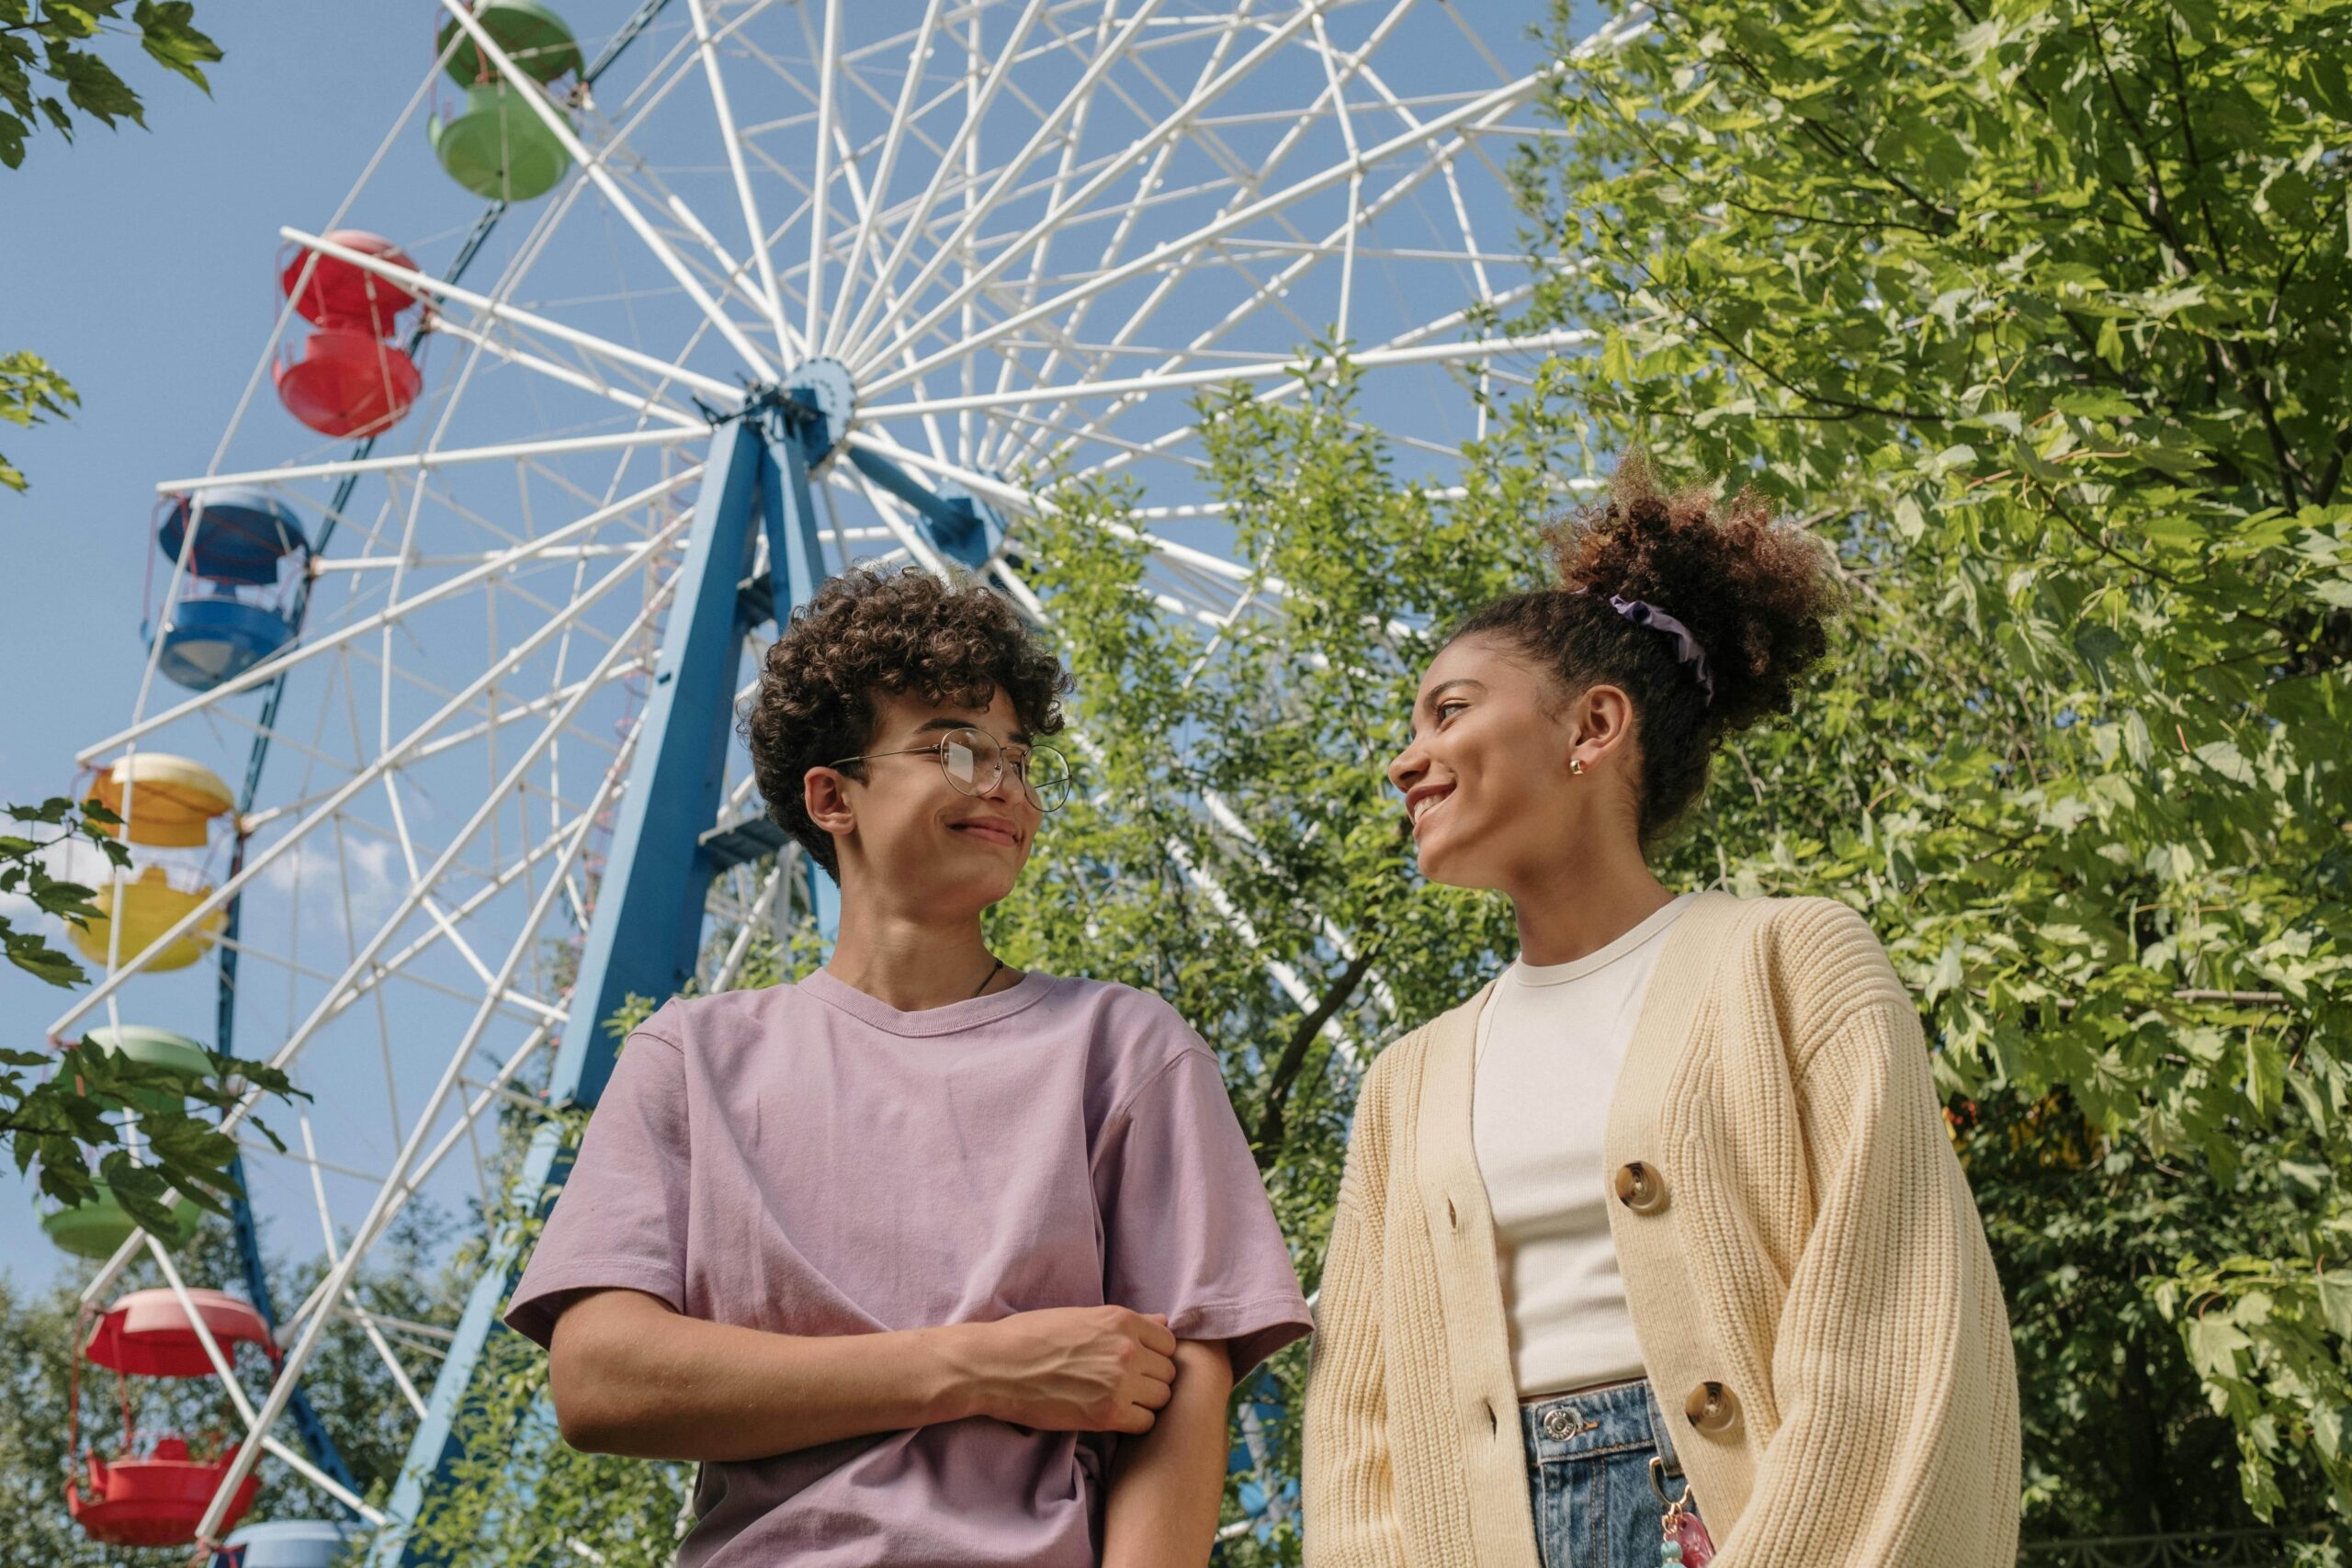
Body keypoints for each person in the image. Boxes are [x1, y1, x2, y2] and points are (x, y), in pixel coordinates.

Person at [504, 567, 1312, 1568]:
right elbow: (600, 1382)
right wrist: (974, 1366)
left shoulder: (1125, 1049)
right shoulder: (692, 1059)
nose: (1004, 786)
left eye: (1018, 759)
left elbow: (1189, 1380)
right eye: (954, 748)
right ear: (831, 796)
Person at [1303, 460, 2020, 1568]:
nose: (1406, 760)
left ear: (1592, 725)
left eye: (1449, 710)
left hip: (1751, 1524)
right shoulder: (1406, 1079)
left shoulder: (1792, 960)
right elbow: (1360, 1426)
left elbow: (1895, 1322)